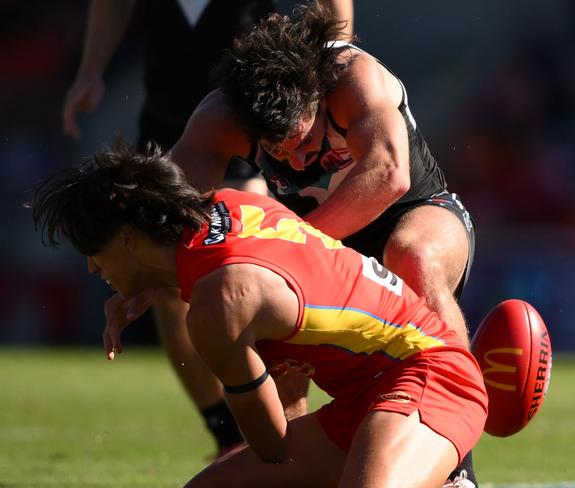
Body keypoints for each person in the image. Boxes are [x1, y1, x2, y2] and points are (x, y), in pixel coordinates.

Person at [30, 140, 488, 488]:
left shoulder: (215, 307)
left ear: (129, 239)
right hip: (365, 403)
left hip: (431, 377)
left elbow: (273, 447)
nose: (92, 267)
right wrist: (151, 282)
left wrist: (236, 356)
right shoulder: (230, 204)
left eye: (95, 251)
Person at [160, 1, 483, 483]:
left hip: (417, 213)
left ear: (315, 94)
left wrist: (294, 249)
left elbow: (389, 174)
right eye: (277, 151)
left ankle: (455, 467)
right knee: (270, 319)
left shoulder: (354, 76)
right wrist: (136, 276)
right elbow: (166, 209)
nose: (297, 158)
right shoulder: (221, 116)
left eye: (305, 141)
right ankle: (293, 466)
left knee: (411, 256)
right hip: (323, 246)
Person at [61, 0, 354, 455]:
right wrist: (91, 68)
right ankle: (229, 439)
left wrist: (340, 57)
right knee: (169, 300)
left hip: (247, 130)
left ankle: (292, 437)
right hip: (166, 125)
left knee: (258, 287)